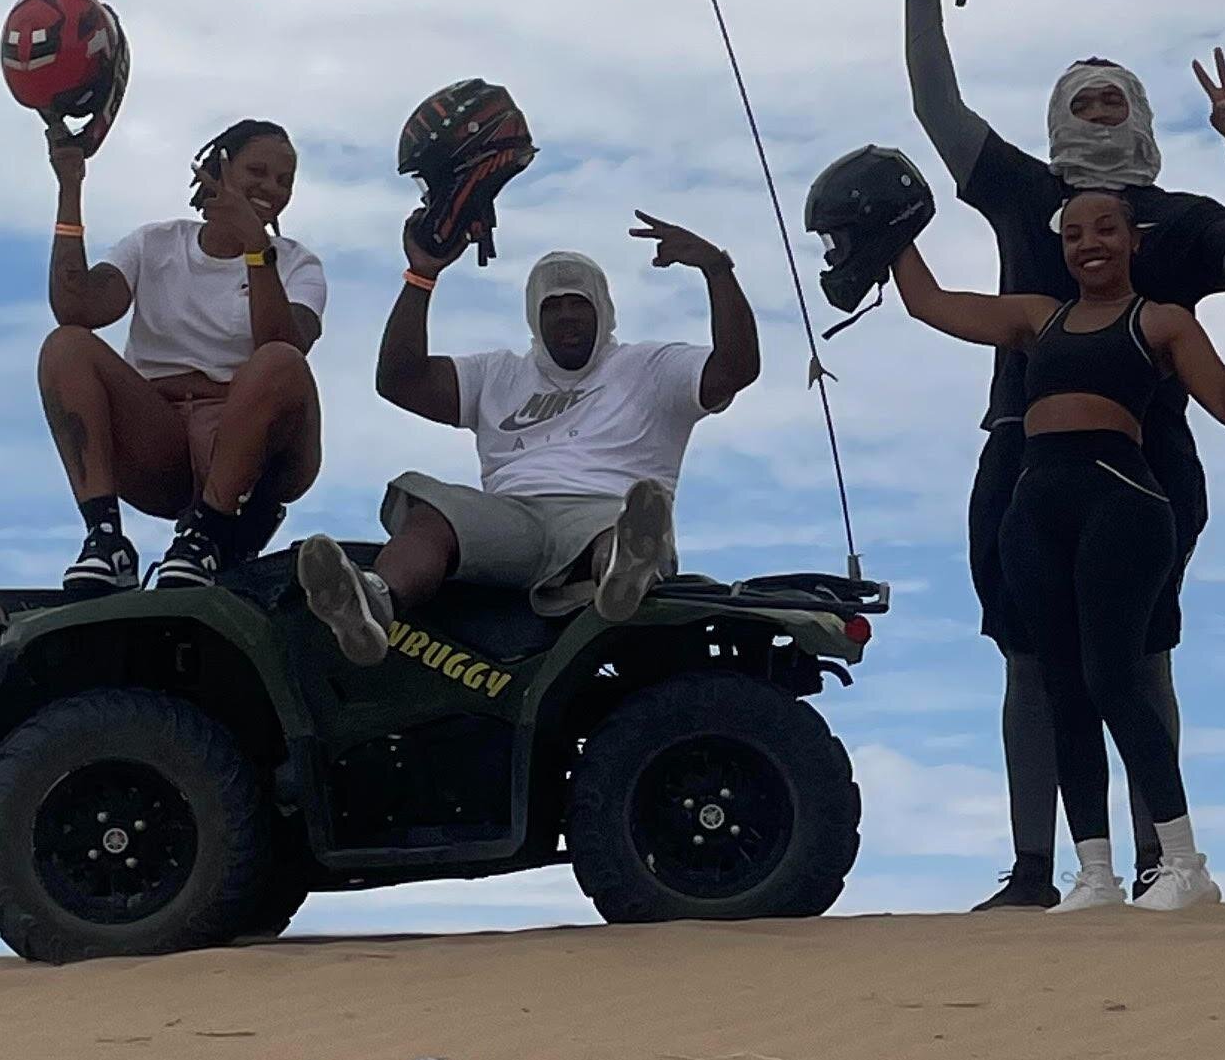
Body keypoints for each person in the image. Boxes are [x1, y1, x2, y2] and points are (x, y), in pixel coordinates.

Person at [901, 0, 1225, 909]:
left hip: (1148, 457)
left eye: (1115, 95)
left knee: (1139, 653)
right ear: (1058, 114)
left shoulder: (1184, 219)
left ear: (1142, 114)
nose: (1100, 107)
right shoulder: (1022, 189)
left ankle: (1168, 860)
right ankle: (1047, 867)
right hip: (1022, 451)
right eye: (1083, 97)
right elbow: (936, 106)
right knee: (1031, 656)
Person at [290, 211, 760, 661]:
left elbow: (736, 368)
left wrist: (716, 269)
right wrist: (421, 276)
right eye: (552, 306)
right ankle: (372, 604)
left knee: (623, 526)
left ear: (603, 309)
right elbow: (400, 381)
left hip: (606, 511)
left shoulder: (651, 367)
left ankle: (625, 573)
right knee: (433, 512)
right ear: (534, 317)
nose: (566, 315)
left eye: (578, 302)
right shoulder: (498, 373)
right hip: (513, 517)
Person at [40, 119, 327, 592]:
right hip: (158, 440)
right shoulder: (154, 243)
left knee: (279, 361)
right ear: (219, 168)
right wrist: (70, 185)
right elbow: (77, 309)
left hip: (249, 442)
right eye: (257, 172)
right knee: (65, 345)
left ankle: (205, 537)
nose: (272, 188)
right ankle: (105, 539)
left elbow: (281, 345)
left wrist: (257, 249)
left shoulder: (298, 264)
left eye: (284, 181)